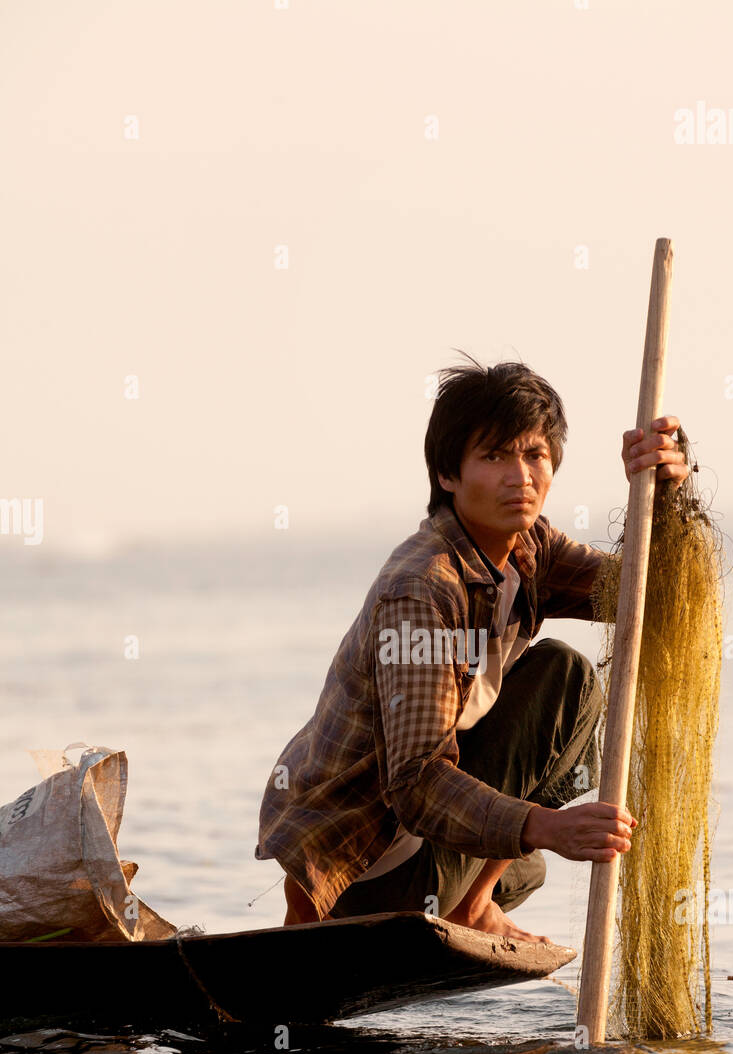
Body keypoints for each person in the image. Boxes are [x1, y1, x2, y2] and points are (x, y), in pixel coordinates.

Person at [255, 355, 689, 943]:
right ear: (448, 476)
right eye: (493, 456)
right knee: (563, 688)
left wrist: (664, 489)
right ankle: (443, 907)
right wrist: (547, 826)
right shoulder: (423, 588)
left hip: (426, 855)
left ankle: (475, 899)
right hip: (364, 869)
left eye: (534, 454)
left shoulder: (531, 548)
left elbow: (644, 595)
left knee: (561, 687)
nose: (520, 476)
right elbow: (415, 783)